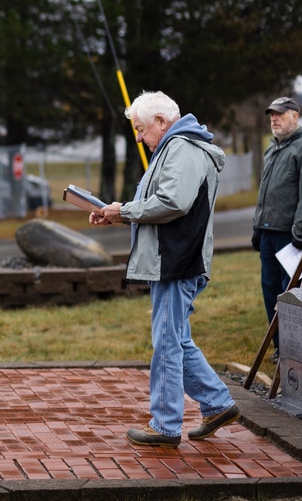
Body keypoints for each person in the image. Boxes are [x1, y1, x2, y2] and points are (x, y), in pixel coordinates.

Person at [91, 91, 239, 447]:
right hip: (172, 259)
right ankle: (217, 404)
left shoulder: (183, 148)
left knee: (168, 344)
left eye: (141, 129)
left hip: (177, 261)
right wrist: (117, 214)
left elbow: (173, 201)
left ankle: (166, 425)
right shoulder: (173, 147)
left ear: (161, 121)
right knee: (176, 339)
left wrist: (123, 211)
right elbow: (159, 206)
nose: (139, 137)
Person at [251, 96, 302, 359]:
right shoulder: (272, 149)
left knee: (290, 292)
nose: (274, 118)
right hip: (268, 233)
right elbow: (265, 194)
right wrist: (257, 229)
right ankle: (281, 346)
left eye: (280, 114)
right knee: (269, 289)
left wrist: (300, 228)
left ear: (295, 116)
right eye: (271, 114)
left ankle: (296, 349)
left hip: (290, 235)